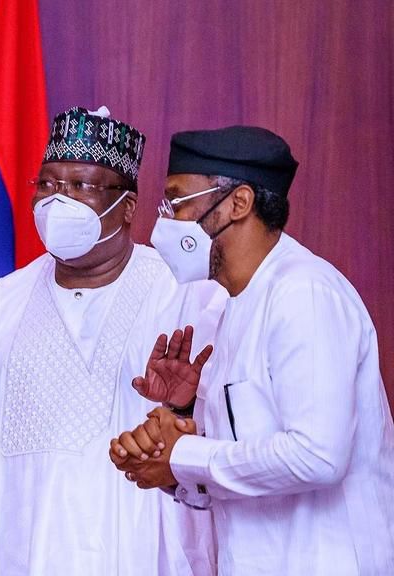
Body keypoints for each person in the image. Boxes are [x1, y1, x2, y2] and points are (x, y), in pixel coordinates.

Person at [0, 106, 225, 575]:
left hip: (142, 554)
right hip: (24, 551)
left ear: (127, 206)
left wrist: (183, 407)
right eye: (47, 184)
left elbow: (232, 435)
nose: (57, 200)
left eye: (80, 186)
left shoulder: (186, 297)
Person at [110, 125, 394, 575]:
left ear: (238, 203)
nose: (165, 223)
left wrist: (184, 455)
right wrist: (172, 457)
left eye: (177, 202)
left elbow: (318, 457)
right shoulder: (233, 306)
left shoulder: (303, 293)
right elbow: (247, 469)